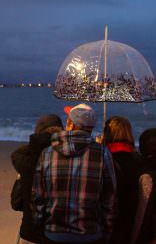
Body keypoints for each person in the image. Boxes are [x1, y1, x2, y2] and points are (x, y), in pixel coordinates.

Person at [32, 103, 116, 244]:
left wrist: (39, 227)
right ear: (91, 127)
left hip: (53, 233)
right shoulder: (103, 153)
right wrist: (106, 231)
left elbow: (38, 197)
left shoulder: (47, 153)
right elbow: (110, 199)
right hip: (90, 233)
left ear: (69, 123)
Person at [11, 114, 64, 244]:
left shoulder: (26, 157)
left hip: (31, 231)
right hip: (59, 230)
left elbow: (16, 203)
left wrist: (37, 142)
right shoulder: (65, 155)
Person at [102, 116, 142, 244]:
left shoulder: (103, 158)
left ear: (107, 133)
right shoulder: (138, 159)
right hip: (131, 217)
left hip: (106, 219)